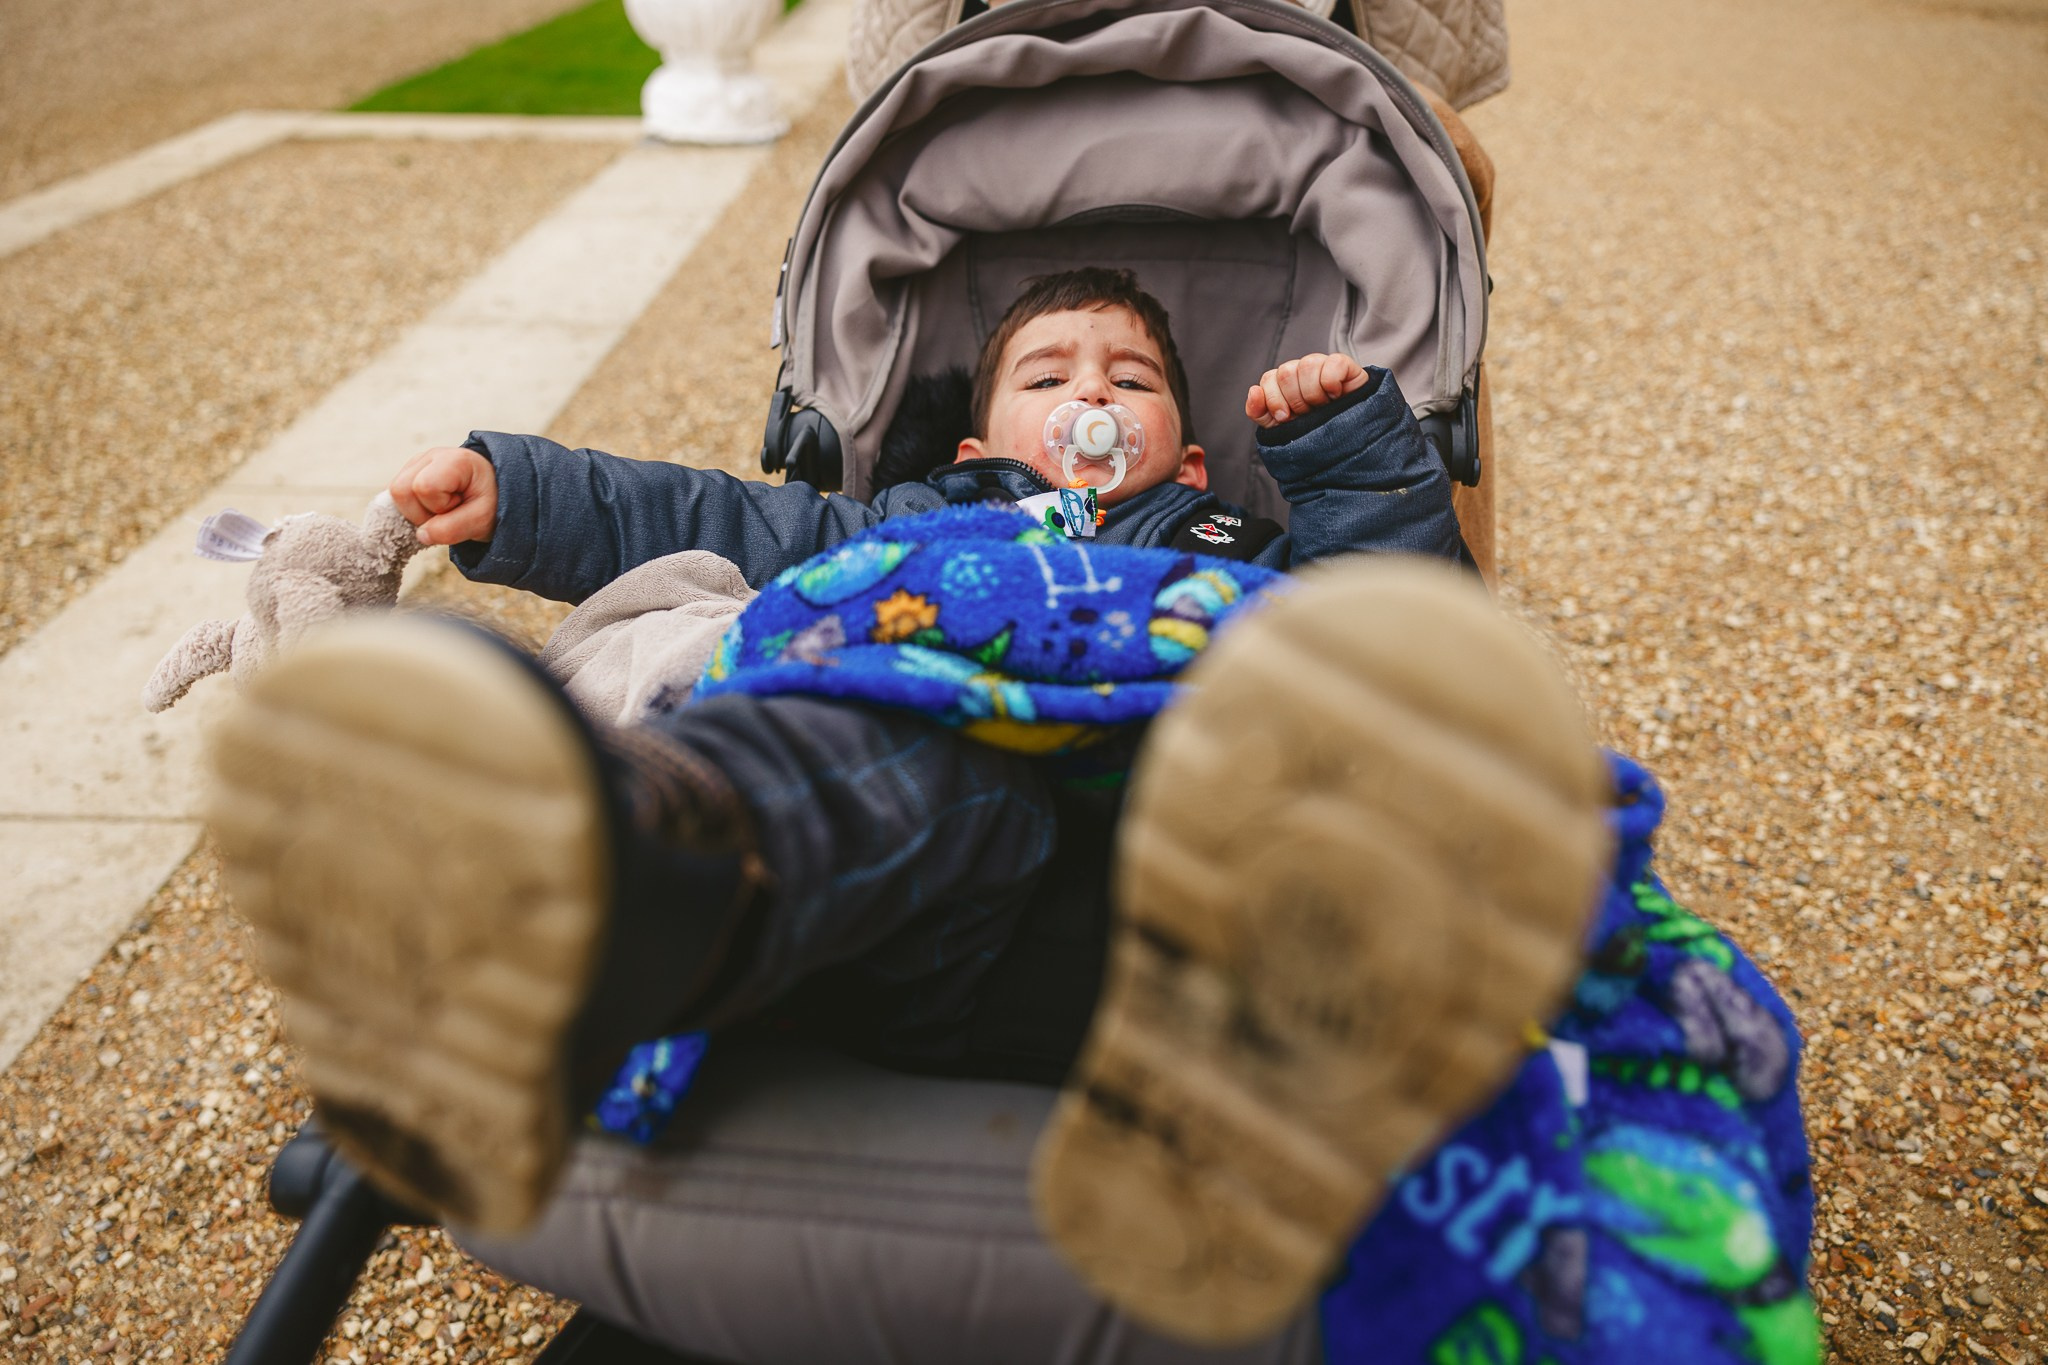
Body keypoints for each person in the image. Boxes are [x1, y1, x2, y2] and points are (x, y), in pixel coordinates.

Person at [201, 268, 1809, 1355]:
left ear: (1185, 438)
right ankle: (645, 880)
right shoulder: (921, 520)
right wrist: (519, 490)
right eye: (1050, 373)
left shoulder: (1234, 550)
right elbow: (715, 517)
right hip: (890, 903)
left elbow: (1407, 648)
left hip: (1136, 930)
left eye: (1132, 377)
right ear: (982, 438)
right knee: (895, 709)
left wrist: (1356, 462)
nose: (1093, 393)